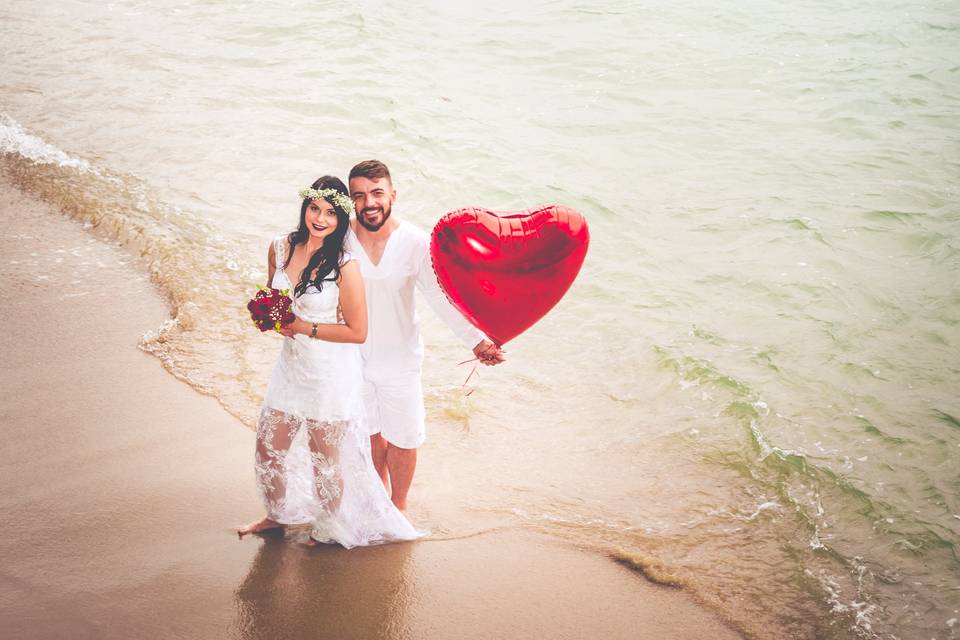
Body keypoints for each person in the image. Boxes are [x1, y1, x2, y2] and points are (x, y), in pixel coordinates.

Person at [237, 175, 422, 547]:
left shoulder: (344, 264)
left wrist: (302, 326)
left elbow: (357, 331)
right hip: (290, 368)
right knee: (268, 448)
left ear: (341, 219)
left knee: (325, 461)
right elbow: (278, 302)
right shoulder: (279, 247)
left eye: (331, 213)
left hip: (330, 375)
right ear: (305, 208)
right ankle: (277, 515)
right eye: (314, 209)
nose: (320, 218)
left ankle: (327, 531)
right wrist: (271, 318)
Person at [344, 160, 505, 512]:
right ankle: (375, 505)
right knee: (369, 434)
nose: (369, 203)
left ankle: (398, 507)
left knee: (403, 437)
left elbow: (439, 297)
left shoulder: (416, 242)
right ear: (351, 201)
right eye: (359, 196)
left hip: (400, 359)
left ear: (393, 195)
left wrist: (477, 341)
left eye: (377, 193)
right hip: (352, 357)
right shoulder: (339, 239)